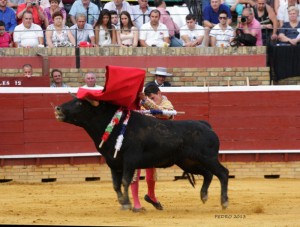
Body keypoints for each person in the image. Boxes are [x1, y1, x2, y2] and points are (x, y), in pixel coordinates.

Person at [130, 84, 174, 212]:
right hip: (139, 141)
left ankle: (151, 195)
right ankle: (136, 203)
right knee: (135, 168)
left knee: (151, 168)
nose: (151, 100)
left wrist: (145, 101)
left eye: (153, 98)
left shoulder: (167, 103)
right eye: (149, 99)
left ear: (159, 93)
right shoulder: (143, 103)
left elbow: (164, 115)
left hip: (154, 143)